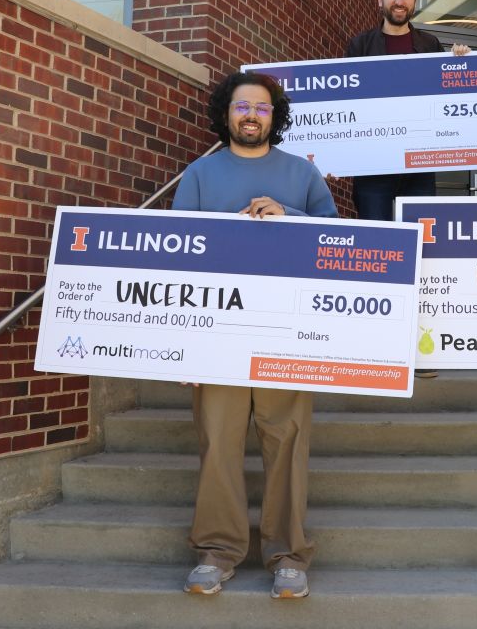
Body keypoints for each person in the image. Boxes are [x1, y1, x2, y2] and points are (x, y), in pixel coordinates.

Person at [172, 71, 337, 600]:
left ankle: (287, 555)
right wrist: (184, 351)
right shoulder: (199, 174)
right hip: (216, 335)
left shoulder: (302, 174)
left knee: (286, 443)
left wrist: (289, 216)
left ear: (274, 116)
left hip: (286, 334)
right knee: (219, 444)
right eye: (242, 106)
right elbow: (176, 258)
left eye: (262, 108)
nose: (251, 115)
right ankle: (217, 551)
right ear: (226, 113)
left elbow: (336, 243)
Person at [346, 0, 468, 378]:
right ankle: (377, 351)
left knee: (418, 255)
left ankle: (416, 350)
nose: (400, 1)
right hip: (374, 171)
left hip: (418, 169)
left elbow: (448, 97)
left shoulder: (430, 45)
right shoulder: (360, 45)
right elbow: (347, 104)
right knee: (375, 253)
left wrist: (459, 66)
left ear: (415, 0)